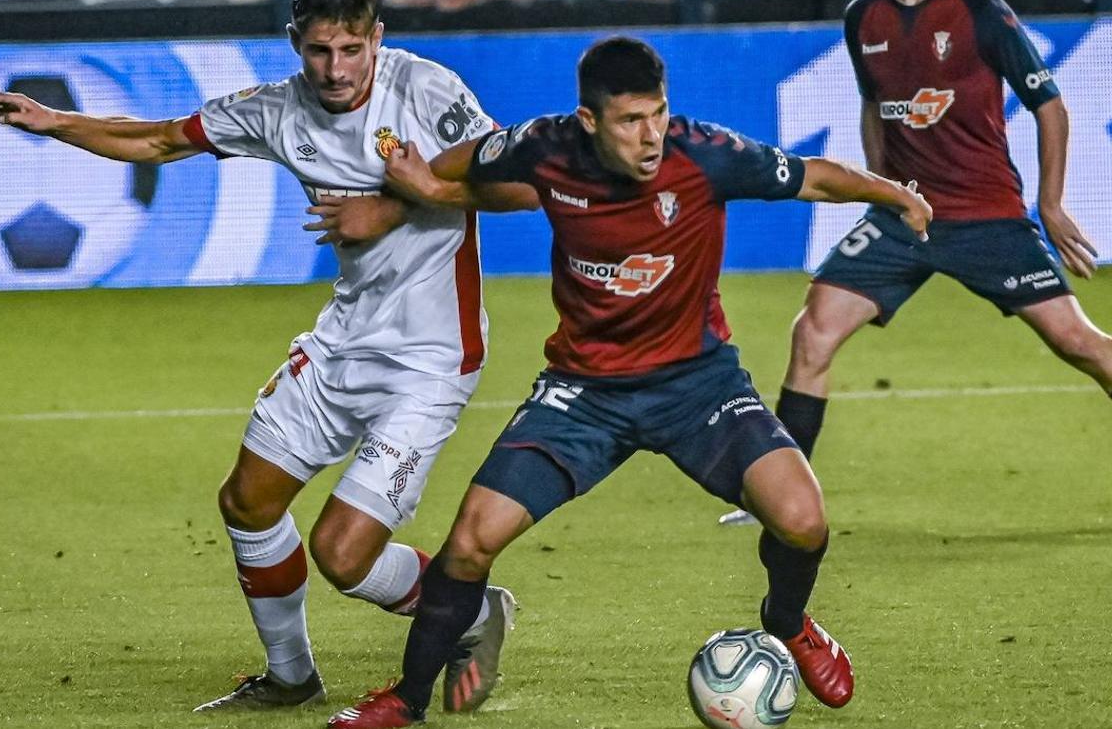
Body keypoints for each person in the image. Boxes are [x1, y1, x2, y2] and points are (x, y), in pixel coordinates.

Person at [0, 0, 537, 713]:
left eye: (352, 50)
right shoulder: (276, 109)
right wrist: (53, 122)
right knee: (248, 501)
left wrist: (397, 203)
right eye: (319, 51)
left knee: (343, 554)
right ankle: (291, 675)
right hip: (343, 342)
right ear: (296, 41)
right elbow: (162, 140)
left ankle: (471, 607)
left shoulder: (427, 92)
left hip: (430, 359)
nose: (336, 70)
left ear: (378, 39)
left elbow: (521, 185)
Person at [323, 36, 933, 728]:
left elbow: (813, 176)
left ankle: (787, 621)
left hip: (698, 386)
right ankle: (407, 698)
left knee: (803, 520)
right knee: (469, 543)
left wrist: (892, 192)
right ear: (589, 121)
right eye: (630, 121)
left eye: (659, 115)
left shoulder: (705, 154)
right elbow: (479, 160)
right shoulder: (545, 145)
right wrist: (428, 187)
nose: (651, 137)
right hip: (583, 395)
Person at [718, 0, 1112, 528]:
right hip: (905, 217)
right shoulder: (864, 17)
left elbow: (1049, 107)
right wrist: (882, 189)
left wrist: (1049, 206)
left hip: (986, 216)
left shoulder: (981, 11)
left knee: (1078, 341)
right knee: (814, 331)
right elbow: (874, 106)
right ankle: (781, 501)